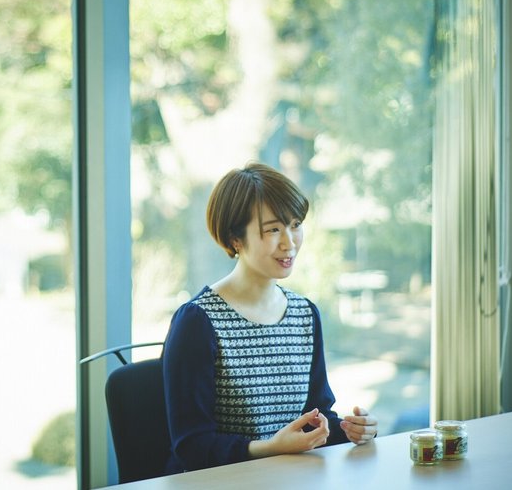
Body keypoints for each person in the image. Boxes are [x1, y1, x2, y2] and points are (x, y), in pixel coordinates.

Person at [162, 162, 378, 474]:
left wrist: (350, 428)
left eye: (295, 224)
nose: (289, 242)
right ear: (236, 239)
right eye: (273, 229)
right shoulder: (198, 322)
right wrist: (269, 448)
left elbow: (315, 414)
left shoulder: (305, 314)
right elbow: (191, 447)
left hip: (286, 477)